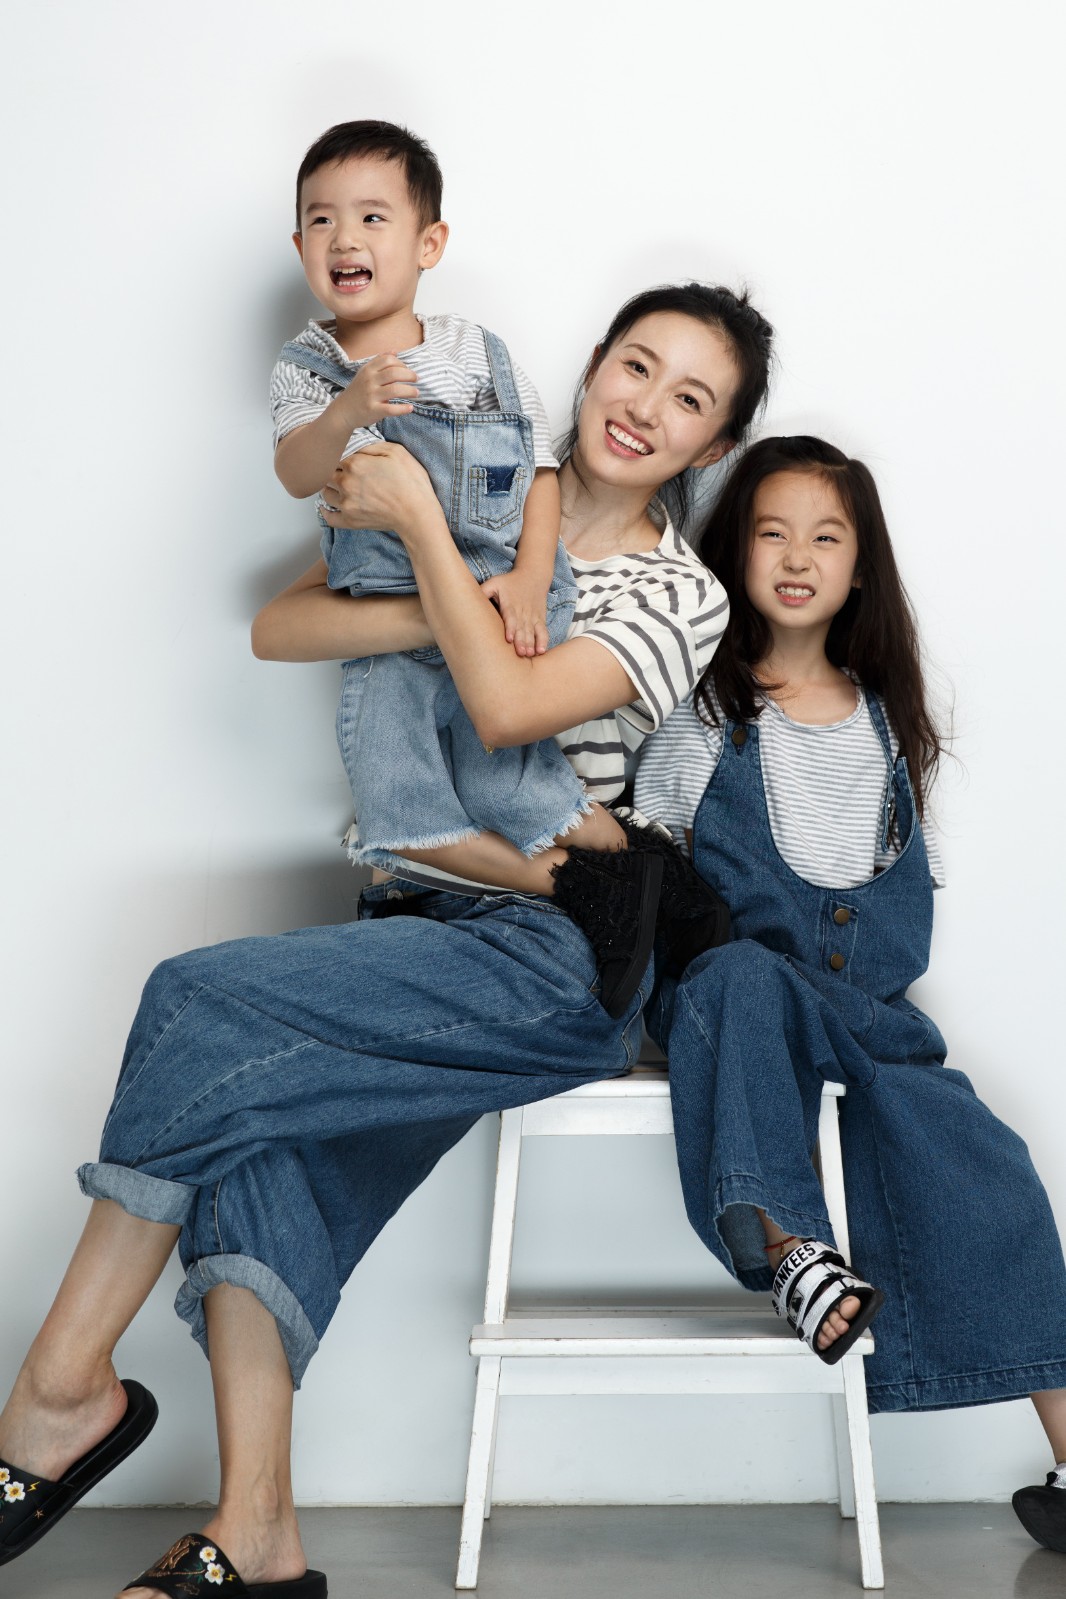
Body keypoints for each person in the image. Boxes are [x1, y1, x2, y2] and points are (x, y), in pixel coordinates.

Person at [0, 284, 773, 1596]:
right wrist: (444, 568)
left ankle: (59, 1391)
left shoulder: (676, 596)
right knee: (251, 1148)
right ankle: (260, 1538)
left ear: (713, 445)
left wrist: (417, 530)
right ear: (593, 364)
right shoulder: (473, 492)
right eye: (636, 365)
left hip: (556, 949)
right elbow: (281, 625)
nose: (645, 405)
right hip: (416, 916)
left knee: (194, 999)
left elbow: (510, 702)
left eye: (688, 398)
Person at [633, 434, 1066, 1555]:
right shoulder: (706, 712)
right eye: (771, 532)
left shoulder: (886, 718)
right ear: (736, 552)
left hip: (867, 1014)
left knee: (992, 1168)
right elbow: (650, 868)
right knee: (737, 973)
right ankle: (792, 1251)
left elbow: (897, 890)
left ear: (860, 565)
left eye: (825, 537)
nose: (796, 557)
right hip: (733, 993)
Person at [274, 120, 669, 1007]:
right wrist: (347, 413)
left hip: (502, 608)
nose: (345, 238)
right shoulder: (308, 370)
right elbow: (296, 470)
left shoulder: (478, 353)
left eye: (372, 217)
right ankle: (620, 879)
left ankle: (632, 876)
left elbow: (539, 475)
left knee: (482, 789)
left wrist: (530, 577)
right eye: (322, 220)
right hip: (391, 630)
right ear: (299, 247)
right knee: (436, 799)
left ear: (430, 243)